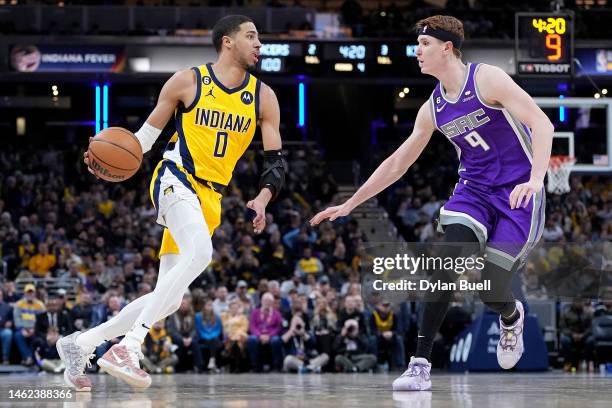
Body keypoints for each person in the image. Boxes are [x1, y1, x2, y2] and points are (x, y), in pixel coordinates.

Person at [311, 15, 553, 391]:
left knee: (490, 287)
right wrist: (350, 204)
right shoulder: (433, 108)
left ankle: (511, 316)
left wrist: (536, 179)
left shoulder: (486, 78)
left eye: (424, 44)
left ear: (446, 48)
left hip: (518, 193)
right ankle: (419, 365)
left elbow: (543, 124)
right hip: (473, 192)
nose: (417, 51)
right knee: (445, 265)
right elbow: (397, 163)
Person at [57, 14, 287, 391]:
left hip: (211, 197)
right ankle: (128, 347)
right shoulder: (188, 80)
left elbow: (275, 162)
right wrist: (104, 164)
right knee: (201, 253)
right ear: (227, 42)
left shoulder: (264, 96)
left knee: (168, 300)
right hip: (175, 178)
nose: (258, 44)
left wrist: (263, 198)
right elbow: (144, 139)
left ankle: (81, 343)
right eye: (251, 37)